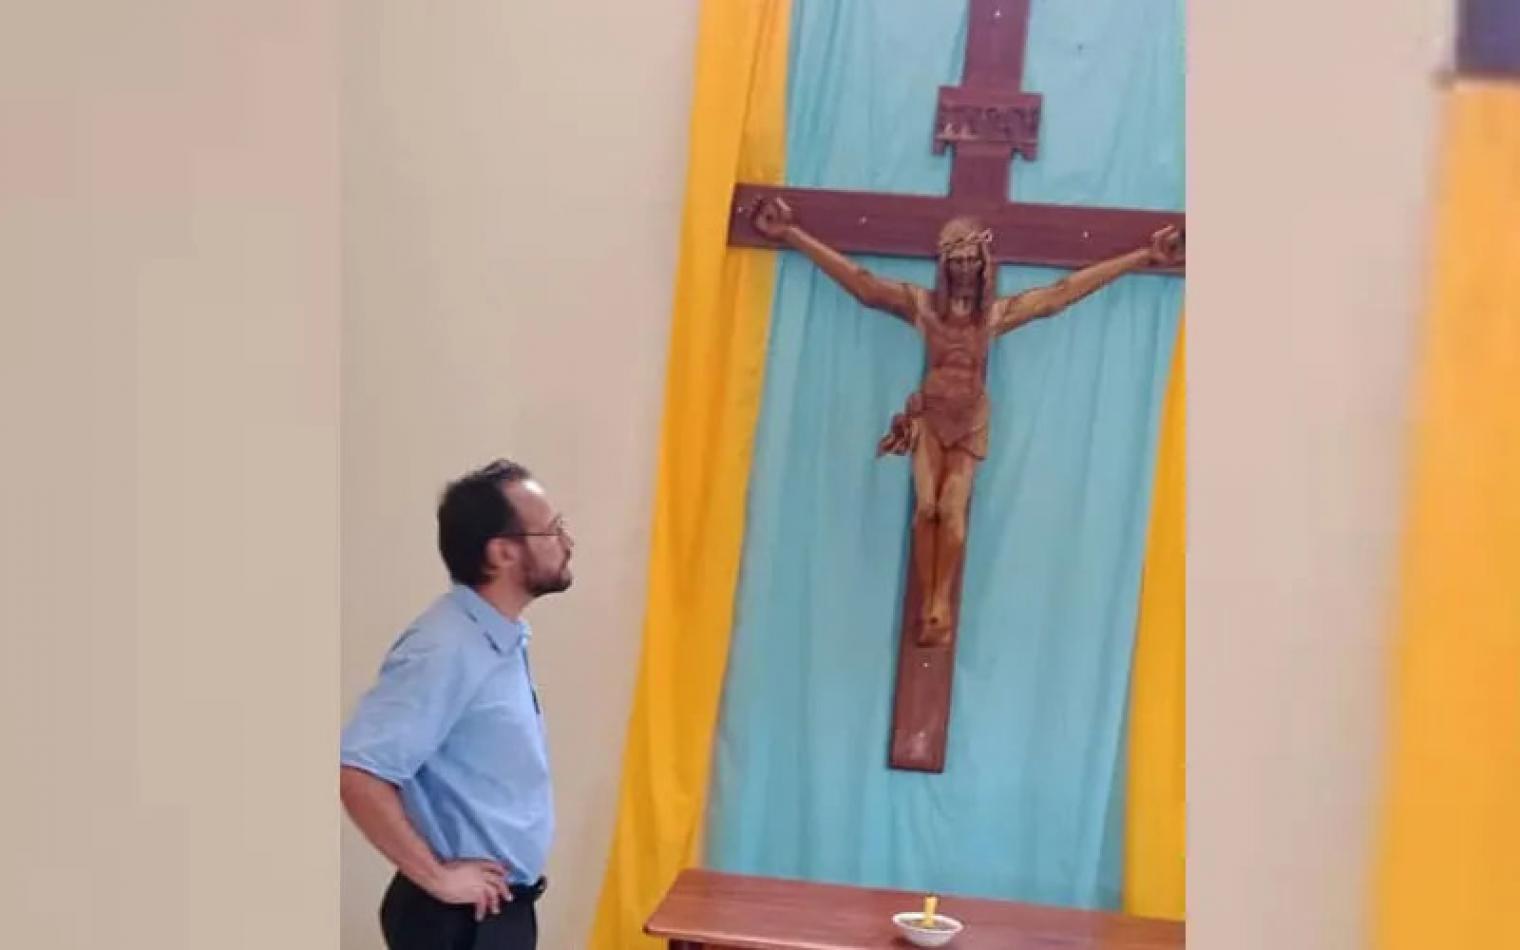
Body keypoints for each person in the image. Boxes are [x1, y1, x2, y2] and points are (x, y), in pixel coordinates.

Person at [340, 459, 574, 950]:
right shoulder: (444, 647)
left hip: (497, 912)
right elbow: (358, 771)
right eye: (552, 530)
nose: (566, 541)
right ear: (502, 552)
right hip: (458, 924)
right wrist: (439, 878)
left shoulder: (501, 639)